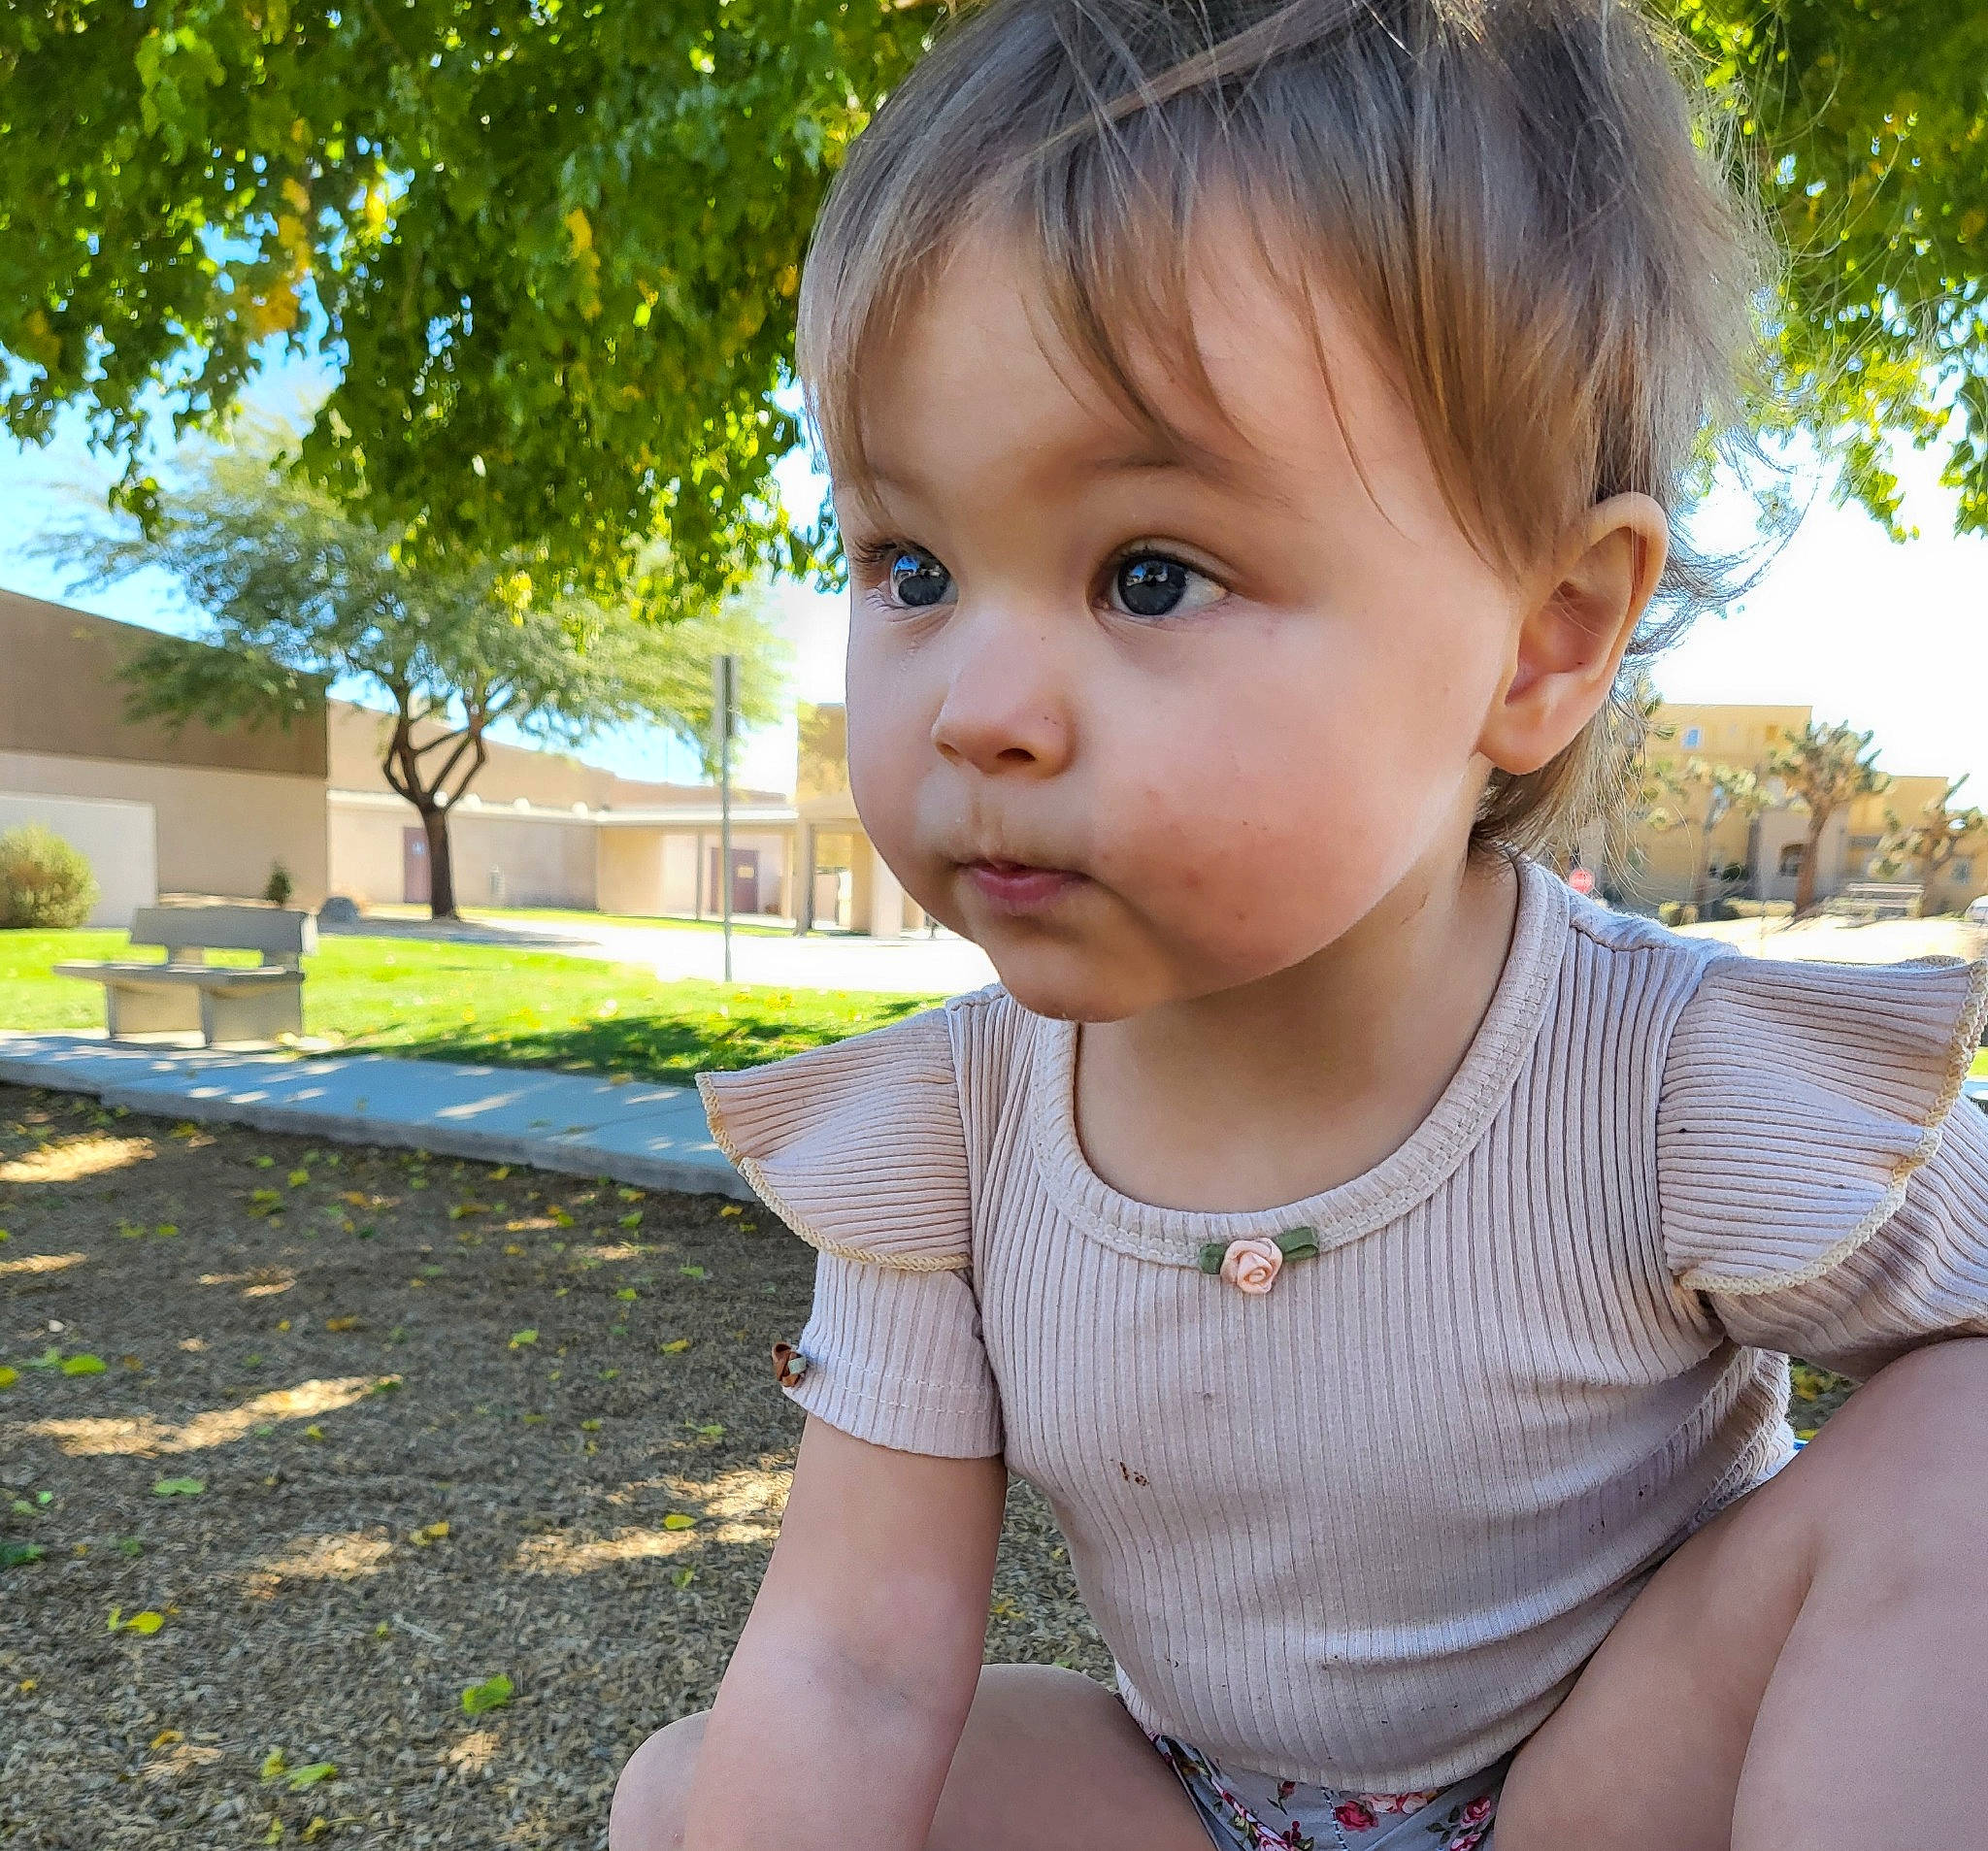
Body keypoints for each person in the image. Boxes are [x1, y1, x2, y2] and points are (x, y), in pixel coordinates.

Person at [612, 2, 1988, 1845]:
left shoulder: (1669, 1088)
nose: (978, 708)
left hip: (1622, 1784)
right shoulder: (947, 1146)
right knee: (694, 1792)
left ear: (1542, 638)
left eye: (1149, 575)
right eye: (911, 567)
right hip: (1196, 1804)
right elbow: (857, 1654)